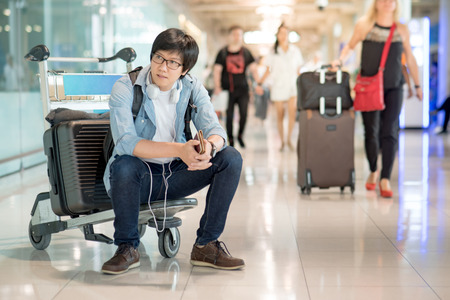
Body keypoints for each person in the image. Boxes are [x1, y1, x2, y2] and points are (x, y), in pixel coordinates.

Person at [101, 28, 245, 275]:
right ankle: (127, 247)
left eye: (172, 63)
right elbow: (125, 142)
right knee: (124, 164)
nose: (162, 67)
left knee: (230, 158)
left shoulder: (191, 87)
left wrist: (207, 148)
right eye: (158, 58)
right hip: (138, 177)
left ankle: (206, 245)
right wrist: (180, 150)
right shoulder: (126, 87)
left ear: (185, 69)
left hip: (177, 175)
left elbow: (217, 131)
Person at [332, 0, 422, 198]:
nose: (388, 2)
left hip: (394, 87)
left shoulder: (401, 29)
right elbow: (350, 46)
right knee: (371, 130)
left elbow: (410, 58)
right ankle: (373, 169)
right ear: (376, 3)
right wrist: (339, 61)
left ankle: (385, 178)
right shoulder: (365, 25)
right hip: (369, 86)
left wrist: (417, 84)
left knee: (390, 130)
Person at [213, 25, 262, 148]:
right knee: (229, 116)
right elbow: (217, 70)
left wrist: (258, 84)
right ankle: (230, 139)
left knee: (244, 114)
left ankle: (240, 135)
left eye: (239, 35)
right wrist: (217, 86)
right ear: (229, 36)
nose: (237, 37)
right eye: (234, 34)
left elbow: (253, 70)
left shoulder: (245, 52)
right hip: (227, 90)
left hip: (243, 89)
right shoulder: (223, 53)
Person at [258, 23, 304, 151]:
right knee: (280, 114)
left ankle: (289, 139)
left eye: (286, 33)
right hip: (278, 86)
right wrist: (260, 83)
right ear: (277, 36)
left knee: (292, 113)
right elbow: (268, 70)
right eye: (281, 33)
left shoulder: (295, 51)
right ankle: (282, 141)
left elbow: (299, 70)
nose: (283, 36)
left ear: (289, 35)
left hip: (292, 86)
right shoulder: (273, 52)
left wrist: (305, 84)